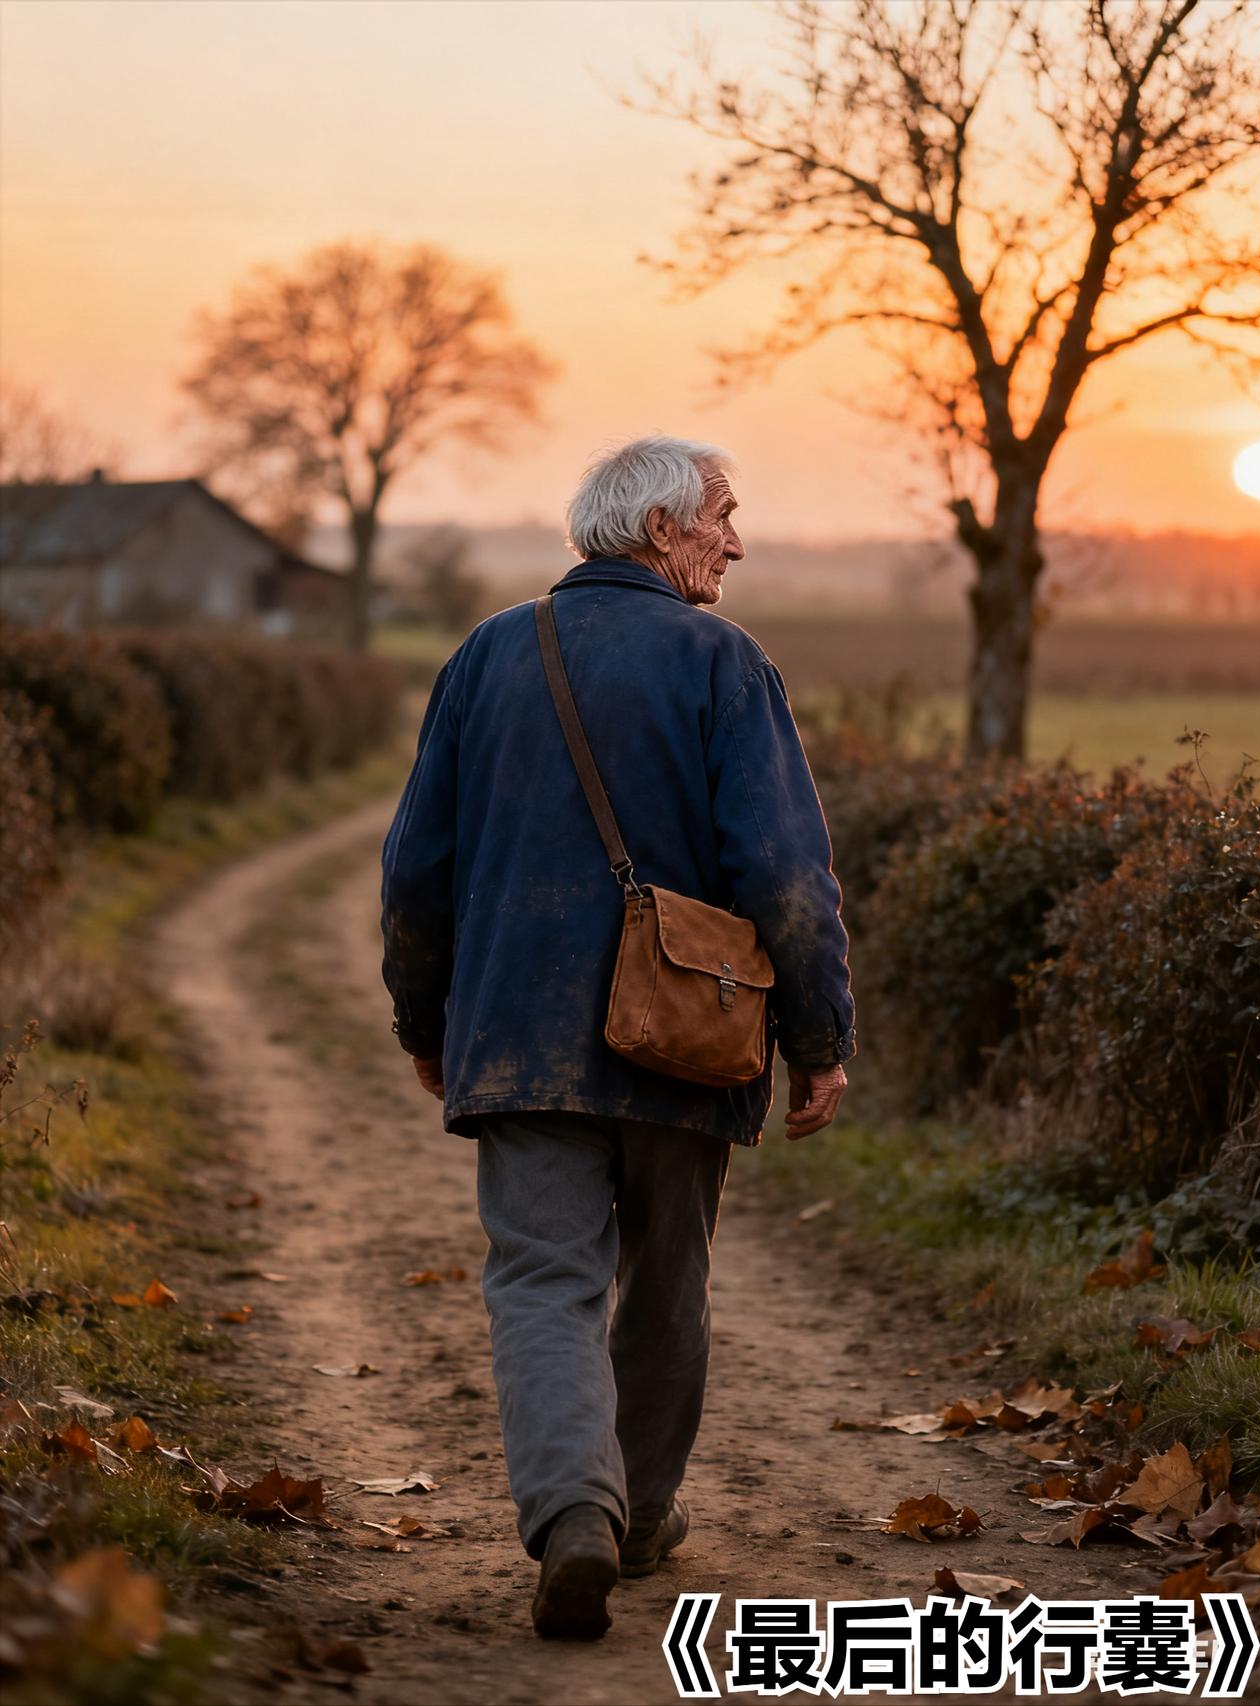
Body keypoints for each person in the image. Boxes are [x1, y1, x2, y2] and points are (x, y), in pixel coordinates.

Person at [380, 436, 854, 1639]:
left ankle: (572, 1514)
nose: (735, 542)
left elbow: (415, 868)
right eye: (723, 518)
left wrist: (425, 1018)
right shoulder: (724, 663)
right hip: (683, 1033)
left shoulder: (487, 652)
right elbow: (788, 874)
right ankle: (639, 1514)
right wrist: (818, 1035)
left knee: (541, 1280)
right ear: (660, 531)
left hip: (516, 1033)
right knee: (668, 1280)